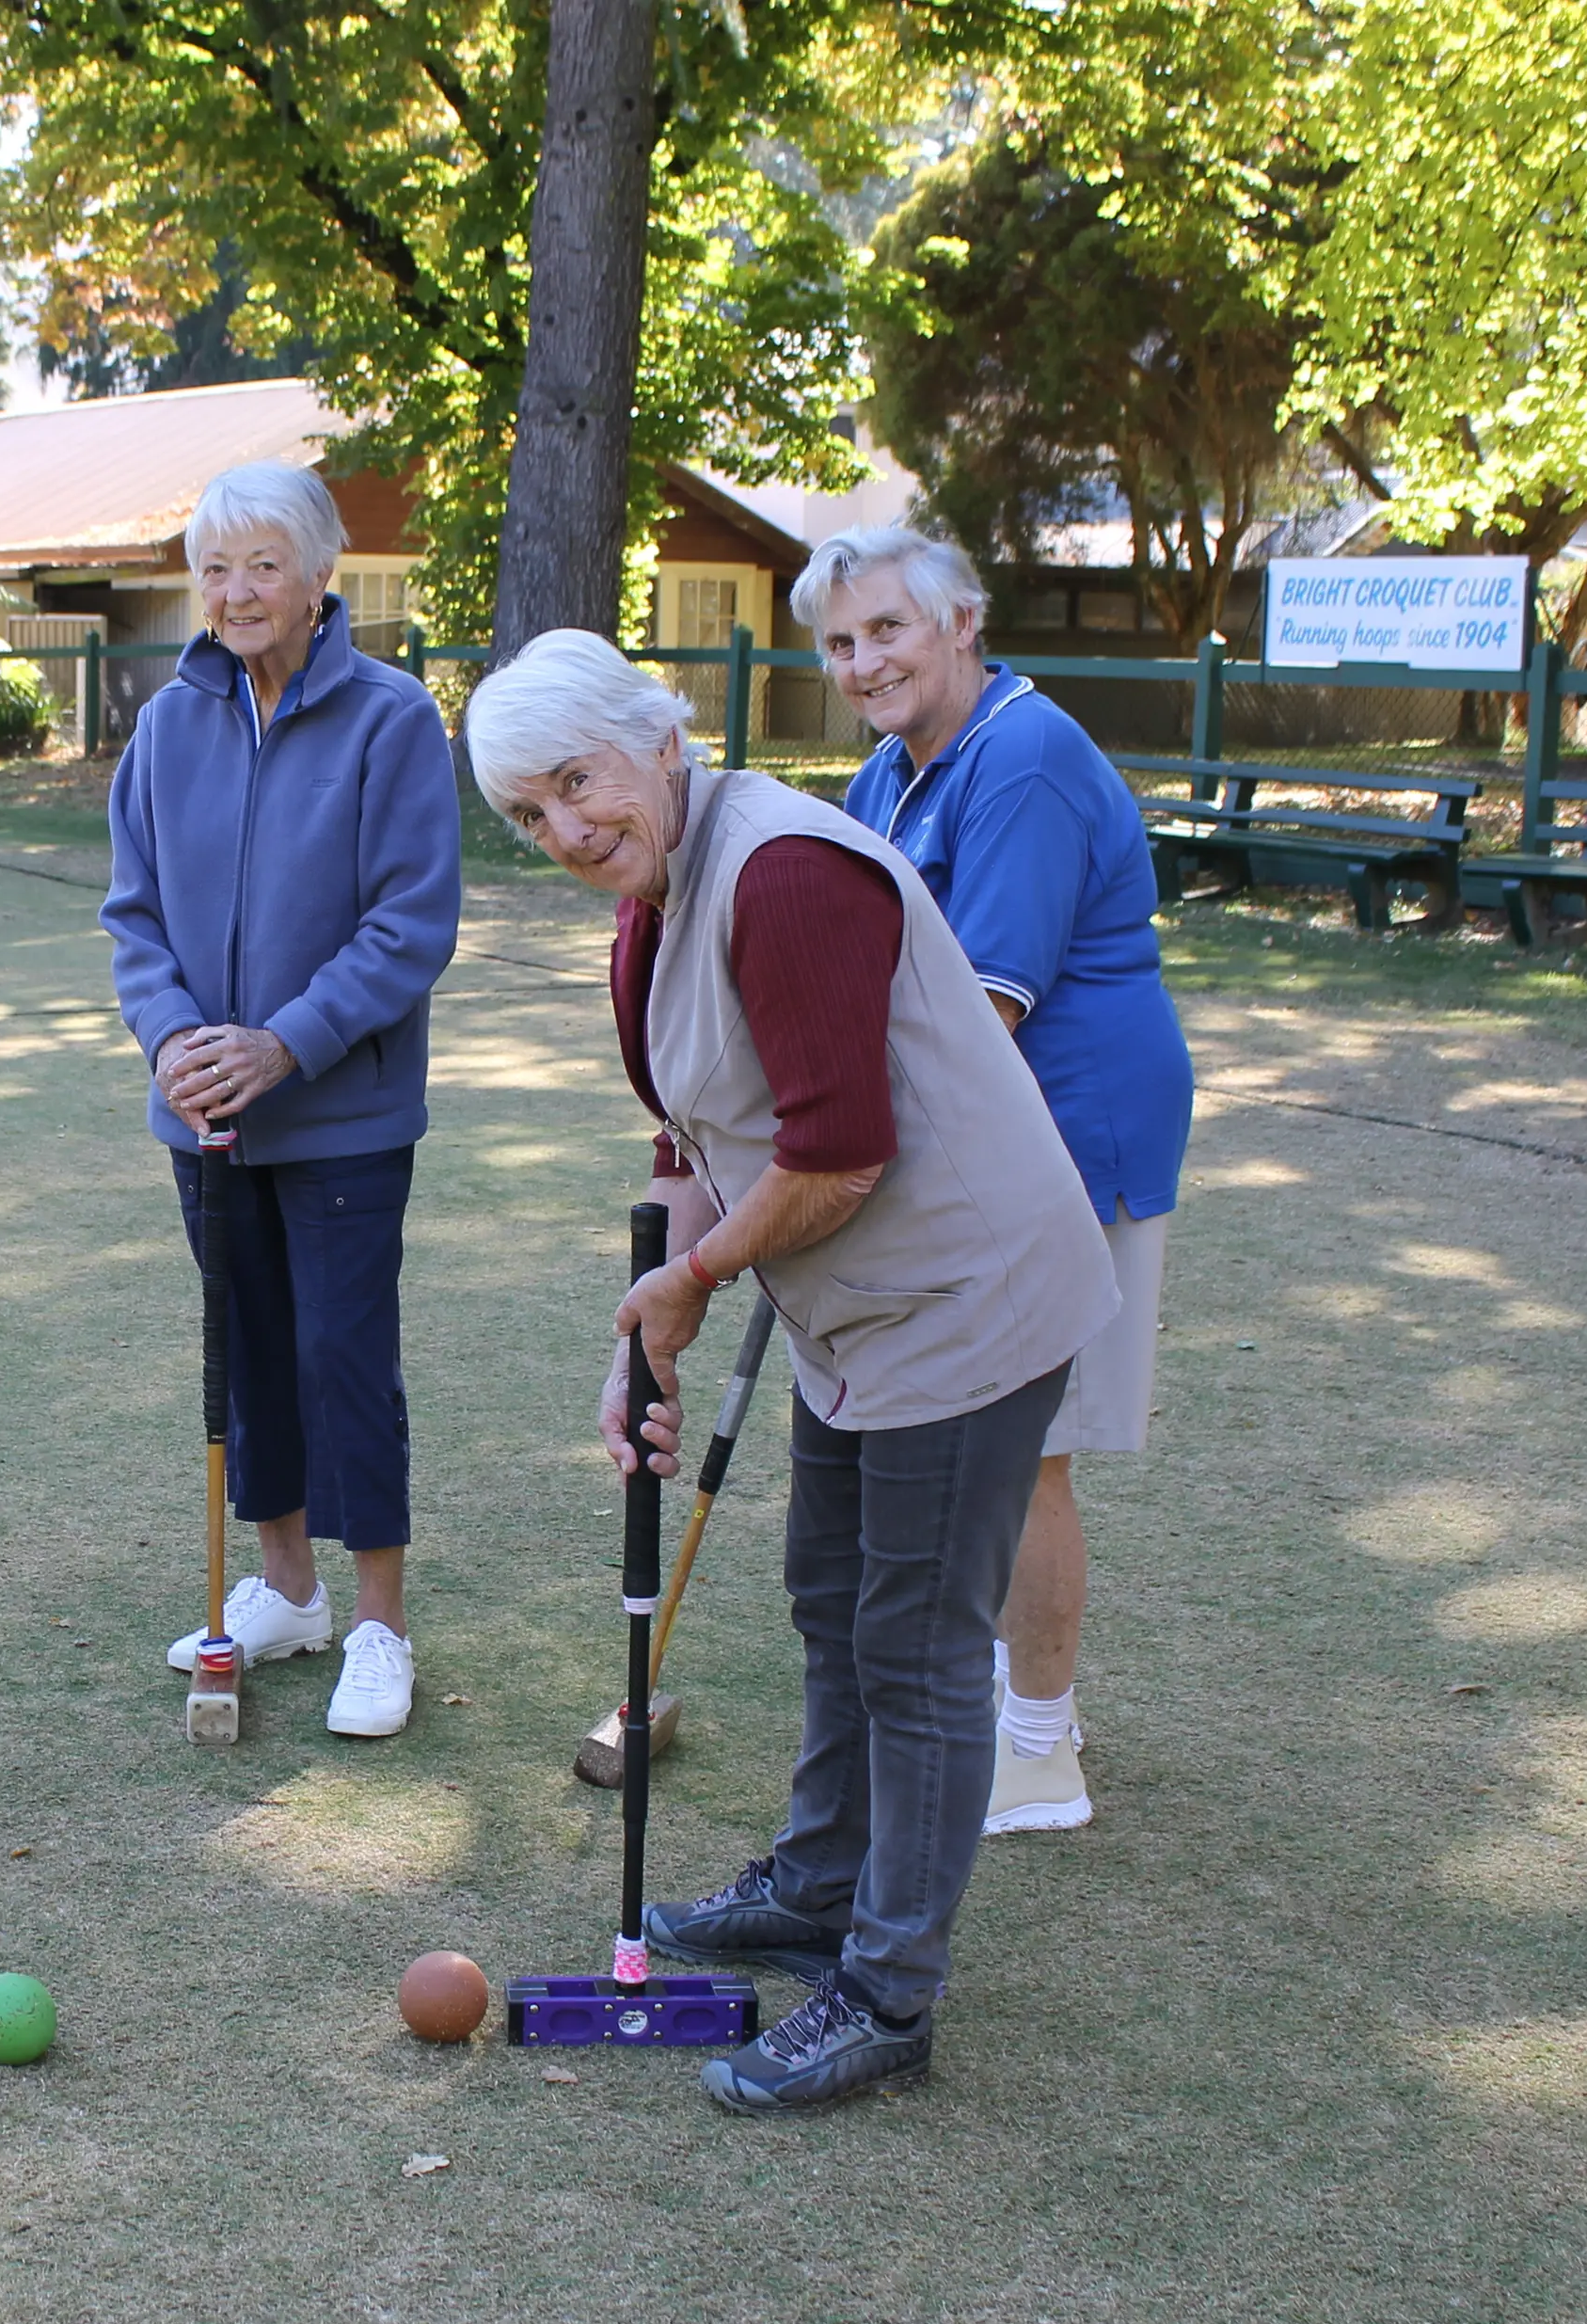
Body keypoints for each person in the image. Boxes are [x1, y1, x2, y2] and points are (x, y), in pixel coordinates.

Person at [465, 629, 1114, 2113]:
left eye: (580, 781)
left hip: (967, 1295)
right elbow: (703, 1138)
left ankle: (888, 1990)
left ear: (660, 741)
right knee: (832, 1596)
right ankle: (821, 1885)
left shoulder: (787, 876)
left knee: (919, 1645)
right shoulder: (656, 903)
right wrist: (650, 1313)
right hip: (857, 1310)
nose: (567, 828)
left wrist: (690, 1286)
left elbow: (838, 1155)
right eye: (528, 812)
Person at [798, 526, 1193, 1836]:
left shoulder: (1019, 757)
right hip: (980, 1136)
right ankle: (985, 1698)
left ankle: (1038, 1746)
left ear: (961, 621)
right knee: (973, 1438)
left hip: (1067, 1134)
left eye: (888, 630)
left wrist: (832, 1130)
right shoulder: (891, 773)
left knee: (1031, 1454)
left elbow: (988, 1003)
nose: (864, 662)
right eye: (842, 642)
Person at [101, 461, 462, 1739]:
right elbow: (133, 916)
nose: (236, 590)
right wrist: (174, 1042)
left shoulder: (393, 719)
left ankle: (377, 1624)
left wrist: (285, 1045)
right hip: (202, 1114)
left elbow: (410, 924)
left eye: (263, 564)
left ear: (321, 579)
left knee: (340, 1358)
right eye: (214, 567)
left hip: (340, 1113)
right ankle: (287, 1588)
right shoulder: (166, 725)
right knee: (244, 1350)